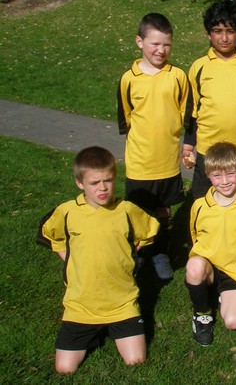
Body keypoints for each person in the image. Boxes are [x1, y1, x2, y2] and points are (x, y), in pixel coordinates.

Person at [38, 146, 160, 373]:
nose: (102, 188)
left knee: (136, 361)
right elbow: (49, 233)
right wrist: (66, 257)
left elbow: (150, 230)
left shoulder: (126, 210)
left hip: (122, 303)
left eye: (108, 180)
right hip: (81, 305)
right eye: (94, 183)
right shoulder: (67, 212)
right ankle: (93, 332)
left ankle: (115, 329)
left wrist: (132, 254)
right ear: (79, 183)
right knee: (65, 369)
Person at [117, 13, 192, 280]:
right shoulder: (129, 78)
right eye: (154, 44)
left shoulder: (178, 76)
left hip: (167, 161)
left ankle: (160, 251)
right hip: (139, 162)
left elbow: (187, 114)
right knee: (137, 210)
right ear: (140, 42)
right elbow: (125, 118)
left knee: (162, 209)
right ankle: (138, 253)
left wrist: (187, 147)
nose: (161, 50)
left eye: (166, 45)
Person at [185, 142, 236, 347]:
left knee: (234, 322)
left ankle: (222, 295)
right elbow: (195, 236)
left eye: (230, 174)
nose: (224, 181)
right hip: (208, 268)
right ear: (207, 174)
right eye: (217, 175)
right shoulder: (199, 205)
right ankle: (202, 314)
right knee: (194, 266)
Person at [183, 0, 236, 199]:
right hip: (208, 151)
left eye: (230, 31)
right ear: (208, 33)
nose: (224, 37)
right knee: (204, 205)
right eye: (218, 31)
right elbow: (192, 111)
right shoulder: (199, 67)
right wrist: (188, 145)